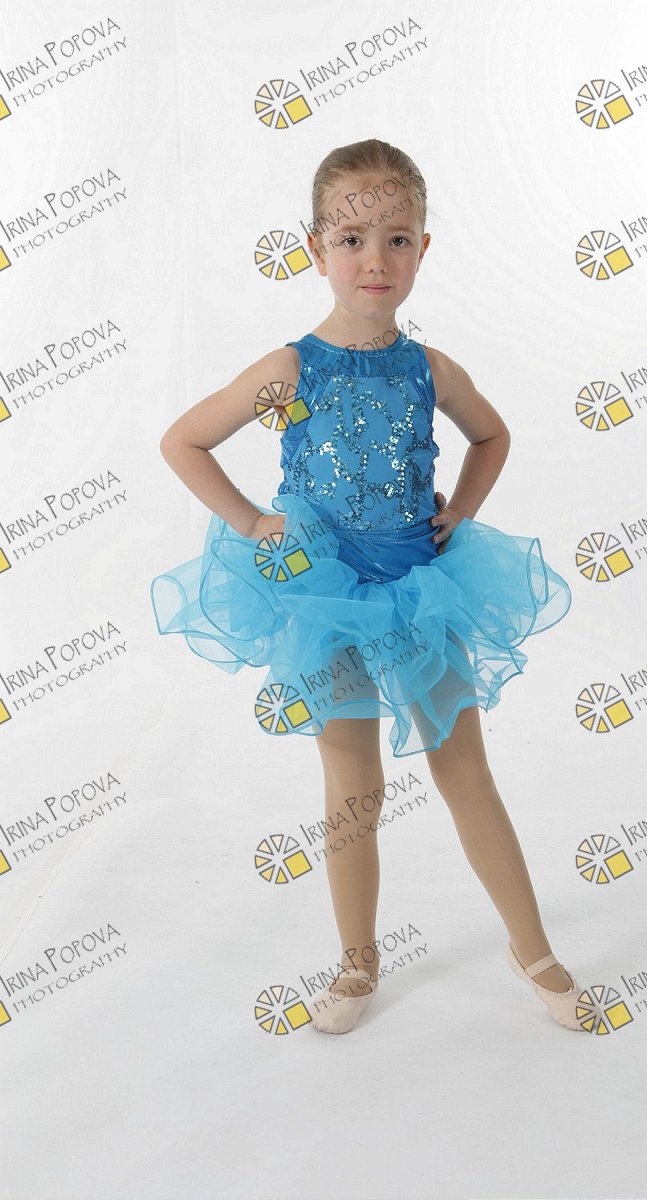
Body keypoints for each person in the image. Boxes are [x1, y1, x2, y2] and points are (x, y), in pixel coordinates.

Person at [150, 138, 586, 1035]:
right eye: (351, 239)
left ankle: (532, 948)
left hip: (420, 587)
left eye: (397, 238)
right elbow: (184, 440)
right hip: (322, 595)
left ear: (424, 248)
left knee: (463, 766)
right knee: (353, 783)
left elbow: (492, 435)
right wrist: (253, 523)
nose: (374, 259)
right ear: (315, 249)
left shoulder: (430, 369)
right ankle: (357, 963)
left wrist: (461, 511)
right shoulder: (290, 369)